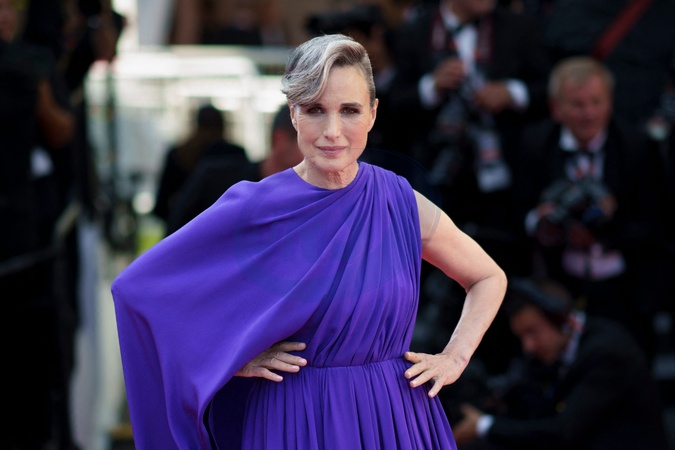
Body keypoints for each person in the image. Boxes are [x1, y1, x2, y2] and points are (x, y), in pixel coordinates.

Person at [111, 33, 507, 449]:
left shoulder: (401, 202)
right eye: (315, 110)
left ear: (373, 113)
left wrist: (454, 357)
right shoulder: (255, 207)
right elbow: (139, 291)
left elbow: (487, 277)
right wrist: (232, 357)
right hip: (295, 420)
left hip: (395, 417)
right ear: (293, 114)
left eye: (349, 110)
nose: (333, 131)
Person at [512, 56, 666, 360]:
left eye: (596, 102)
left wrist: (606, 229)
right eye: (578, 105)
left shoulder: (637, 146)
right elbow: (517, 212)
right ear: (556, 108)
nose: (589, 114)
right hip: (559, 285)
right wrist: (543, 224)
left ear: (610, 102)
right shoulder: (534, 143)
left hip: (627, 289)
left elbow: (658, 223)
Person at [452, 276, 670, 450]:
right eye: (522, 337)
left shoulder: (607, 353)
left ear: (563, 321)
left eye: (533, 332)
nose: (528, 346)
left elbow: (563, 431)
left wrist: (484, 426)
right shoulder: (561, 351)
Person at [166, 103, 302, 233]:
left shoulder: (304, 198)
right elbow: (176, 231)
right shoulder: (217, 180)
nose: (311, 153)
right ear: (280, 139)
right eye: (306, 142)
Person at [152, 103, 248, 228]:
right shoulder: (235, 154)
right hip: (227, 229)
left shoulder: (178, 155)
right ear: (223, 126)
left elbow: (161, 206)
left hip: (186, 230)